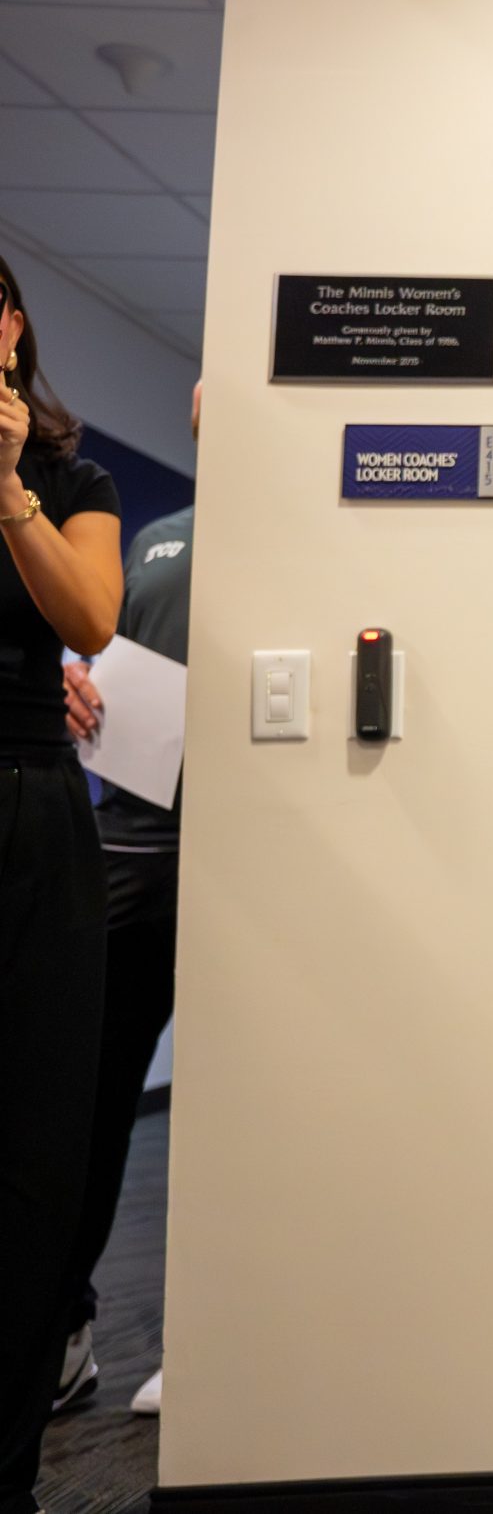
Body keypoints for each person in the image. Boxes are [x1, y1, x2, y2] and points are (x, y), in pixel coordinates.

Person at [0, 252, 126, 1514]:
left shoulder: (65, 479)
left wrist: (3, 491)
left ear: (12, 327)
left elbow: (90, 616)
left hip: (32, 816)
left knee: (36, 1157)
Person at [54, 381, 199, 1423]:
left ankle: (206, 1338)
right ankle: (63, 1329)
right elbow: (108, 652)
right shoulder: (155, 536)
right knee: (87, 1101)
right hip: (129, 845)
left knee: (233, 1110)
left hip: (247, 858)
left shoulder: (319, 536)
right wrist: (78, 689)